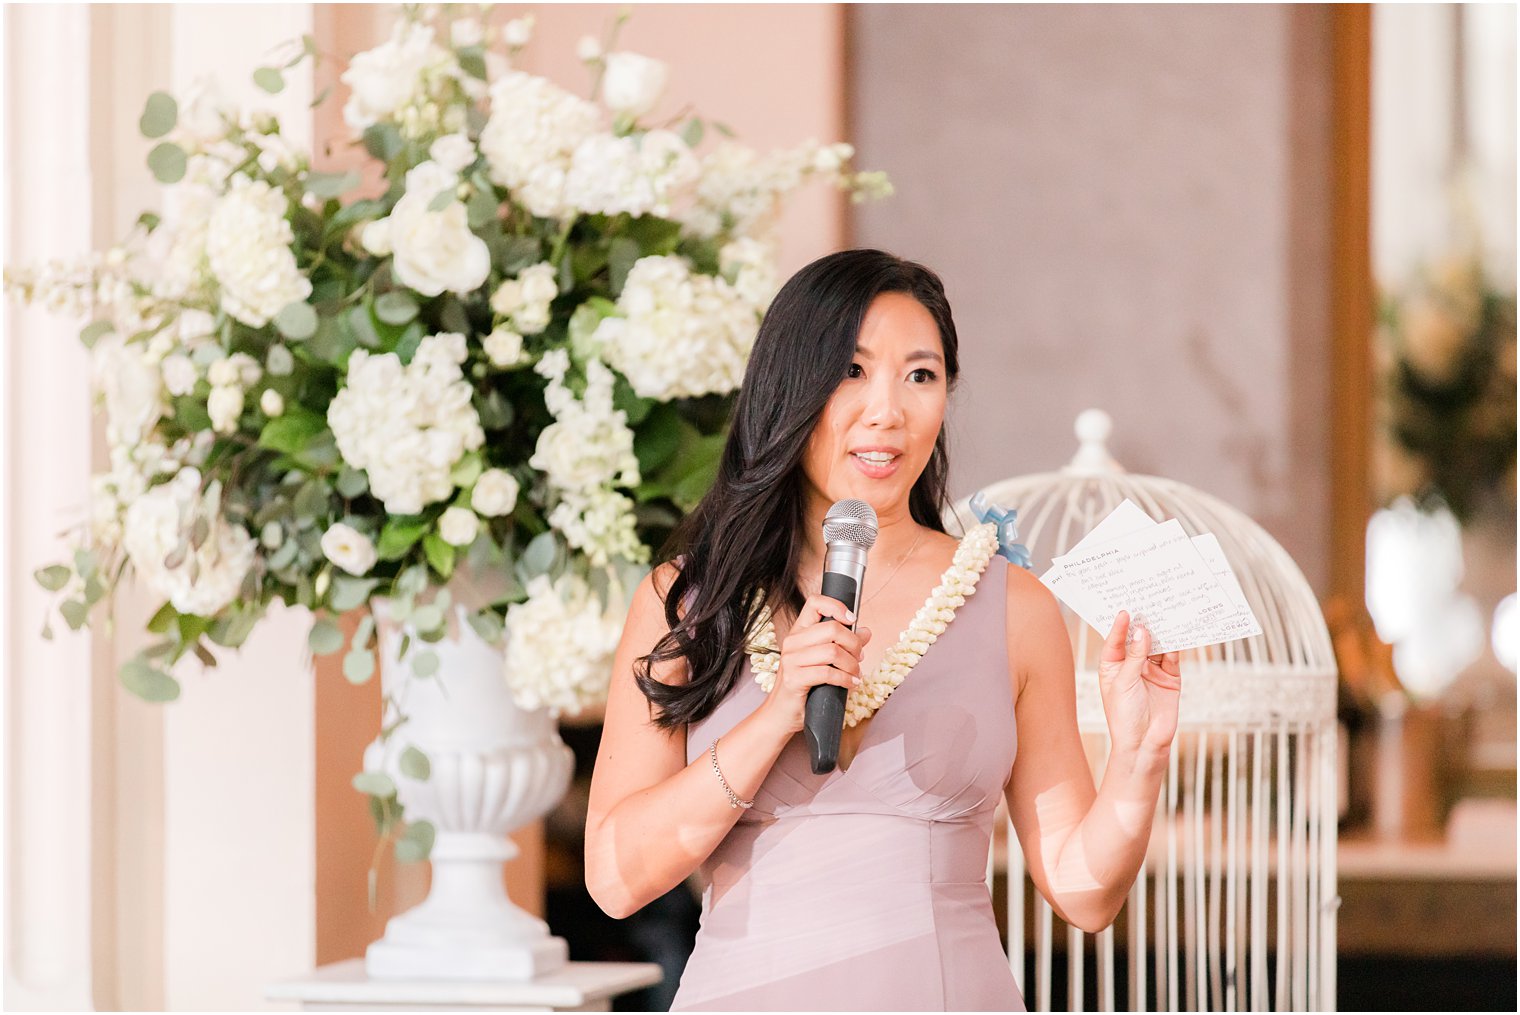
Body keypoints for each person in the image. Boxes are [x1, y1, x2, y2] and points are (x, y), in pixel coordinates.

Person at [584, 248, 1183, 1011]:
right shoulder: (688, 602)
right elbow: (613, 878)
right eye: (852, 370)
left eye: (920, 374)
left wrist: (1139, 755)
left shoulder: (1014, 604)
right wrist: (772, 719)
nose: (887, 410)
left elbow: (1083, 892)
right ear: (790, 388)